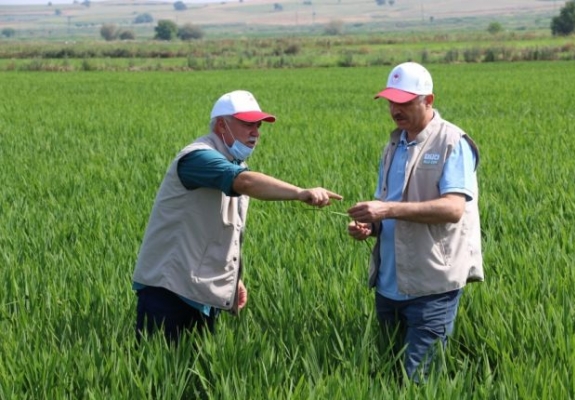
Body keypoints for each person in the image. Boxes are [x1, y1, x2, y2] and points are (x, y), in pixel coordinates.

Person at [132, 90, 342, 343]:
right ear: (222, 124)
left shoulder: (234, 163)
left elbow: (225, 230)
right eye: (247, 124)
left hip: (200, 290)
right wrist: (300, 193)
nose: (256, 132)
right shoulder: (197, 157)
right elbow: (245, 183)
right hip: (168, 291)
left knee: (194, 372)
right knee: (161, 373)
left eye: (258, 125)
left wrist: (234, 279)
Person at [347, 62, 483, 382]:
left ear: (428, 100)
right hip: (389, 284)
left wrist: (387, 211)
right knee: (387, 375)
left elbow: (453, 209)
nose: (396, 108)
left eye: (405, 101)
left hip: (431, 284)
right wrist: (371, 226)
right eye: (391, 101)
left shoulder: (452, 142)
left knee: (418, 380)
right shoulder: (393, 144)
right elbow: (386, 204)